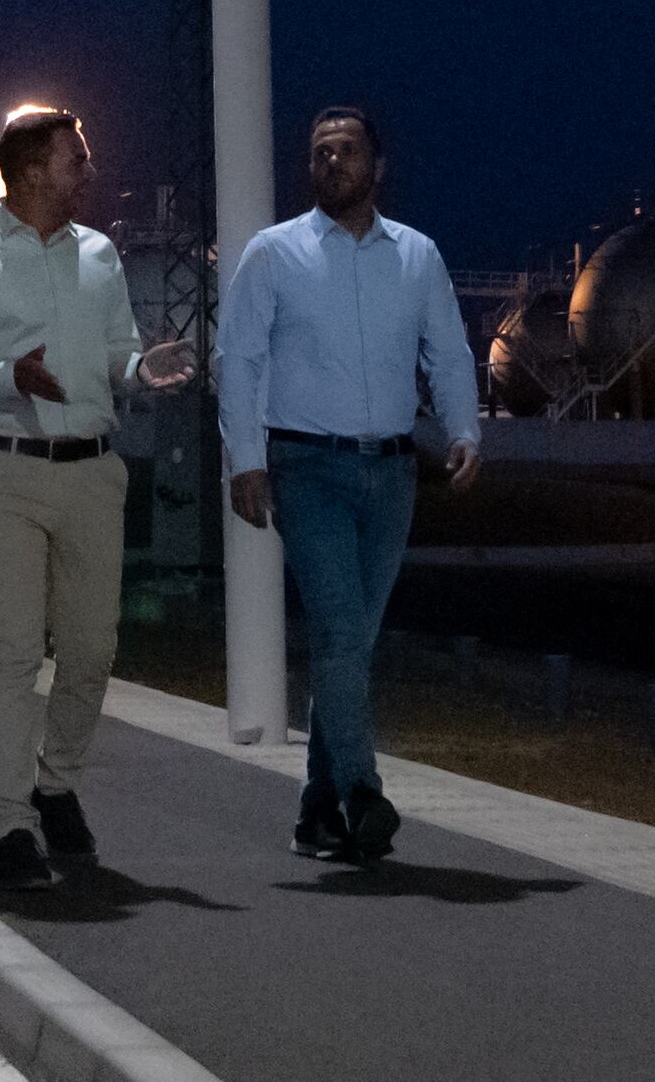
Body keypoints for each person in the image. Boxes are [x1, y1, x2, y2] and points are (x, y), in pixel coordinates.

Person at [0, 102, 200, 889]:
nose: (89, 171)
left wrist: (143, 367)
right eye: (77, 158)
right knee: (11, 647)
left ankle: (56, 780)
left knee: (93, 646)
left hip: (91, 471)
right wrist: (8, 375)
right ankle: (10, 825)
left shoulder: (100, 256)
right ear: (33, 169)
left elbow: (115, 354)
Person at [215, 103, 480, 864]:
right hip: (307, 467)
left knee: (350, 643)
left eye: (347, 149)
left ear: (377, 166)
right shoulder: (273, 254)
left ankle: (315, 810)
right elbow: (240, 360)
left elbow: (450, 353)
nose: (332, 161)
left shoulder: (417, 256)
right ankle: (363, 791)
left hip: (393, 472)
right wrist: (246, 459)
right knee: (339, 629)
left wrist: (465, 431)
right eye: (320, 151)